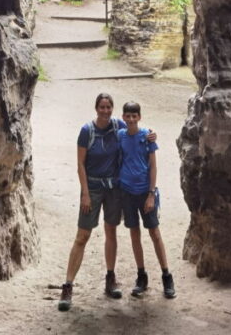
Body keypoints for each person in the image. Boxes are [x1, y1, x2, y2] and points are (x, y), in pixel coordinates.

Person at [57, 92, 156, 312]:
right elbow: (80, 164)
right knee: (82, 235)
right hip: (92, 187)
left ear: (112, 109)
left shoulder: (117, 125)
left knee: (111, 230)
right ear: (96, 108)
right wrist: (84, 193)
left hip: (113, 188)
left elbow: (135, 128)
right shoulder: (86, 131)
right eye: (101, 107)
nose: (105, 111)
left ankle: (110, 278)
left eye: (108, 107)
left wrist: (151, 133)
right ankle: (68, 285)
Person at [119, 100, 176, 300]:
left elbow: (153, 166)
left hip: (145, 192)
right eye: (128, 116)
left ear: (139, 117)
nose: (132, 119)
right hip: (126, 191)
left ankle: (167, 275)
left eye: (135, 116)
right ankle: (141, 276)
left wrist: (151, 193)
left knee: (154, 232)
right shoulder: (120, 135)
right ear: (124, 117)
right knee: (134, 233)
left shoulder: (147, 137)